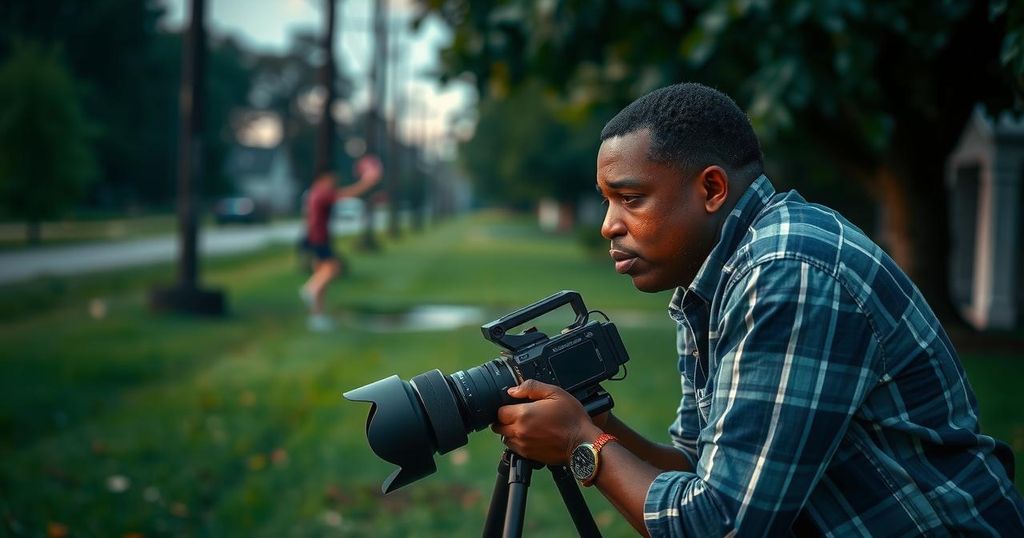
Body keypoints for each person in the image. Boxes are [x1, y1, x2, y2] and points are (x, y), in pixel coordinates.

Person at [491, 83, 1024, 536]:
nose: (609, 223)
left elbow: (724, 524)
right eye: (607, 201)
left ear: (713, 189)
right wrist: (594, 423)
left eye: (630, 199)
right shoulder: (710, 278)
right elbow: (702, 470)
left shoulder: (787, 271)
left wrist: (582, 443)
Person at [300, 155, 382, 332]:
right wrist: (367, 181)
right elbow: (345, 195)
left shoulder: (314, 192)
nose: (335, 181)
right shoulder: (322, 192)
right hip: (319, 238)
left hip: (314, 237)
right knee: (333, 269)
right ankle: (309, 289)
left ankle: (317, 317)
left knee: (321, 275)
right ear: (325, 177)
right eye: (333, 178)